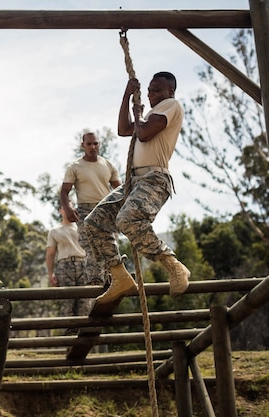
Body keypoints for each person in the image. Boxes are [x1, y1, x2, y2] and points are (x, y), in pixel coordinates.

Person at [84, 71, 190, 307]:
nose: (152, 94)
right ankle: (120, 276)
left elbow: (142, 133)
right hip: (133, 182)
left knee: (128, 219)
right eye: (150, 90)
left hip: (154, 178)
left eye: (157, 90)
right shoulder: (152, 114)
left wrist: (138, 112)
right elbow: (124, 129)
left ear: (170, 92)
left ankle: (173, 265)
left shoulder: (171, 106)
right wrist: (127, 96)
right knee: (94, 222)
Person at [60, 132, 121, 286]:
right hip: (85, 210)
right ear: (83, 145)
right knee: (91, 244)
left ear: (99, 144)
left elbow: (119, 189)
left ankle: (112, 279)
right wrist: (67, 208)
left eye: (95, 143)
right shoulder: (75, 167)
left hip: (106, 208)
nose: (93, 147)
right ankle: (95, 280)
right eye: (89, 144)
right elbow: (64, 191)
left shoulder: (108, 165)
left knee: (111, 245)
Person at [46, 203, 90, 335]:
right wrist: (50, 274)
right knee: (67, 304)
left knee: (84, 304)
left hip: (83, 264)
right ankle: (69, 343)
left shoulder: (82, 228)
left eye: (72, 208)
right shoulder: (55, 231)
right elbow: (50, 254)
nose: (70, 210)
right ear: (61, 210)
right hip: (65, 267)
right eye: (66, 208)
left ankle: (83, 343)